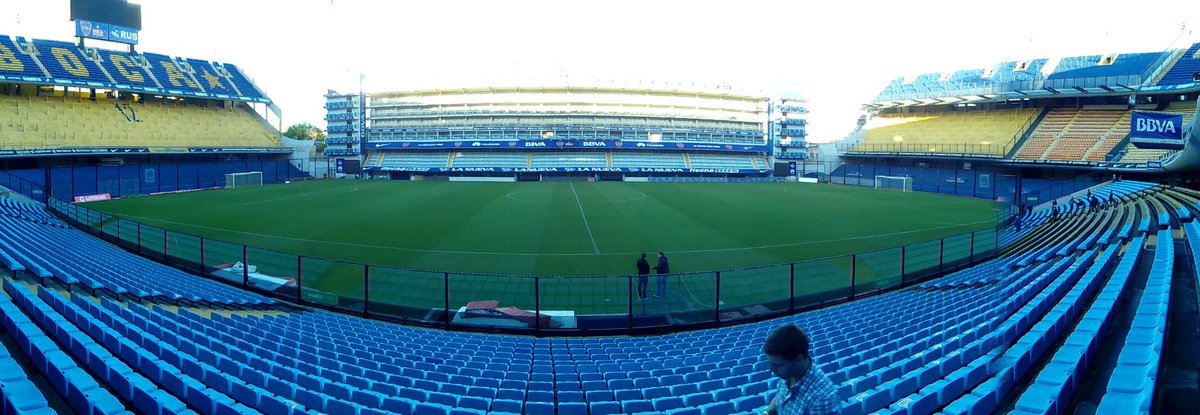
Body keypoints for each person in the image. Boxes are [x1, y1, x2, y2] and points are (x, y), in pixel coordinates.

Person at [762, 324, 839, 415]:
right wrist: (767, 413)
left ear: (798, 359)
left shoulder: (822, 399)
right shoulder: (788, 372)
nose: (772, 370)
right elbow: (782, 400)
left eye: (777, 365)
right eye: (770, 363)